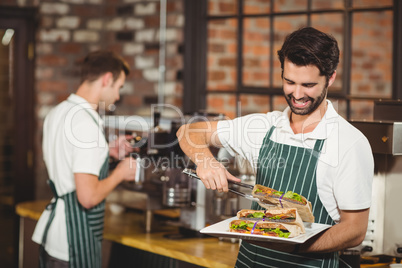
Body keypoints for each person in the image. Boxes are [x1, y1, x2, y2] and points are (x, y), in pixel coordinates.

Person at [177, 27, 374, 267]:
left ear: (330, 77)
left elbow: (355, 231)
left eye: (308, 85)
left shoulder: (349, 143)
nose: (297, 94)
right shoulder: (264, 127)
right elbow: (189, 131)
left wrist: (289, 243)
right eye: (289, 81)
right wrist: (206, 161)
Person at [32, 50, 137, 268]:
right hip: (72, 243)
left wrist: (106, 151)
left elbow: (67, 157)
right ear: (107, 79)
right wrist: (120, 173)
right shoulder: (86, 125)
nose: (117, 96)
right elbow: (87, 197)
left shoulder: (59, 112)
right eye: (118, 87)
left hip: (53, 238)